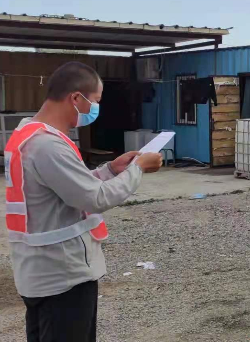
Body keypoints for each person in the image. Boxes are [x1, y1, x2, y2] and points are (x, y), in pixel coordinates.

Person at [6, 62, 163, 342]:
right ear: (76, 98)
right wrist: (138, 169)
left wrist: (111, 169)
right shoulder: (48, 145)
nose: (96, 109)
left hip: (40, 270)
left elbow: (67, 187)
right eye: (96, 101)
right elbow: (95, 197)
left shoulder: (28, 133)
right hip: (62, 275)